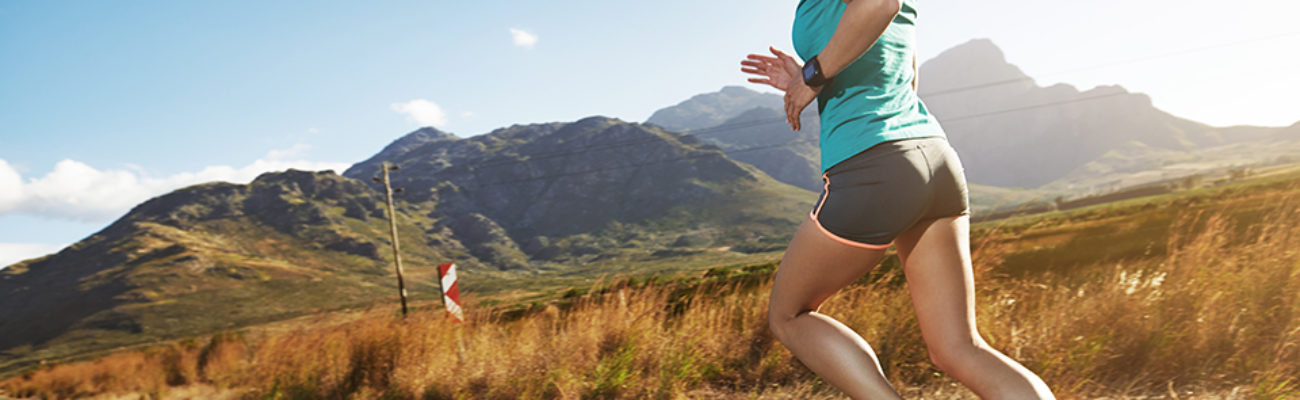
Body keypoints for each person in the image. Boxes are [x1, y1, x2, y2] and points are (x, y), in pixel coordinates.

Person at [740, 0, 1056, 398]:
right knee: (957, 347)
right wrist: (804, 77)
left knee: (789, 315)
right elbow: (900, 75)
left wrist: (813, 74)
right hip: (932, 155)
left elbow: (879, 3)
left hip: (873, 165)